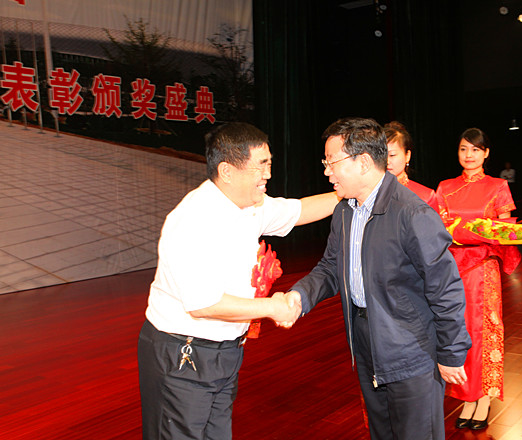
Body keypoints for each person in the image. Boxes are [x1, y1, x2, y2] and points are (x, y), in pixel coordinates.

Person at [137, 122, 339, 440]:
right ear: (227, 171)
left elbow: (299, 210)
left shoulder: (251, 206)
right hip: (183, 355)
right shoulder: (194, 218)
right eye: (260, 165)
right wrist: (272, 308)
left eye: (269, 163)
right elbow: (204, 304)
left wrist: (348, 191)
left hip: (225, 353)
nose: (267, 174)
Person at [286, 117, 471, 440]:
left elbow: (445, 288)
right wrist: (298, 296)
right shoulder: (345, 211)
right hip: (367, 341)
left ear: (363, 162)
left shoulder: (412, 213)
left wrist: (451, 353)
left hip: (412, 350)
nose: (327, 172)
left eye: (332, 162)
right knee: (381, 432)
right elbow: (331, 267)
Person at [435, 128, 521, 431]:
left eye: (475, 149)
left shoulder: (498, 186)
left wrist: (482, 234)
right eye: (463, 149)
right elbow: (437, 227)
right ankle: (465, 396)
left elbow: (504, 229)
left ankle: (483, 396)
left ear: (486, 153)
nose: (468, 155)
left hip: (482, 269)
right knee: (454, 329)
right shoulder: (445, 187)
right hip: (449, 269)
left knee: (482, 331)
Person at [384, 121, 439, 212]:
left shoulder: (425, 197)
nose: (387, 161)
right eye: (382, 155)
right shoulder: (365, 193)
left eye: (392, 155)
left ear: (407, 155)